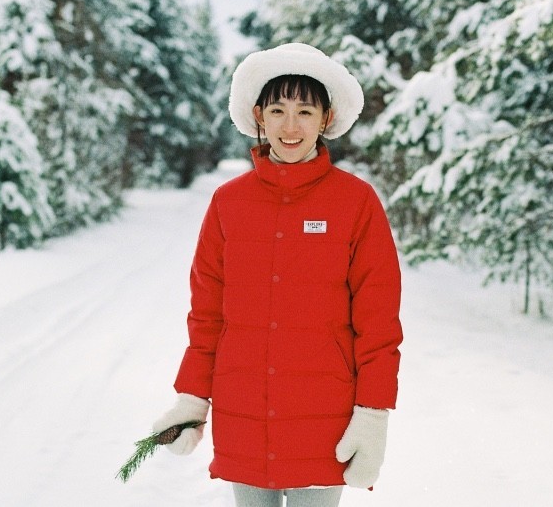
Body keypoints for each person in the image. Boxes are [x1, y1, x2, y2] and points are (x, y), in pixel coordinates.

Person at [153, 42, 403, 507]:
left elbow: (379, 323)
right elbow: (207, 315)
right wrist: (192, 398)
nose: (291, 126)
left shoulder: (356, 202)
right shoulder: (229, 203)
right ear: (258, 116)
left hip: (324, 417)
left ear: (326, 119)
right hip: (244, 410)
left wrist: (373, 414)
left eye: (305, 111)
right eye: (278, 110)